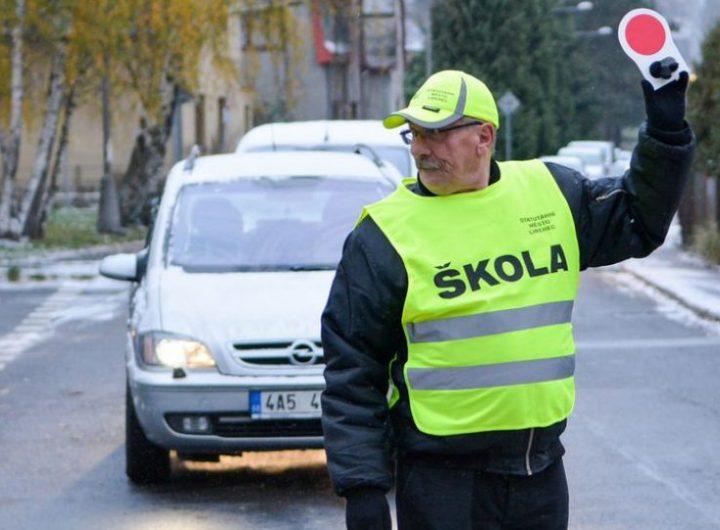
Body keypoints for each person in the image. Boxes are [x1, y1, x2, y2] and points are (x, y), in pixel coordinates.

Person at [321, 68, 694, 529]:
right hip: (442, 482)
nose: (421, 149)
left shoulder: (550, 195)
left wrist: (666, 128)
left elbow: (639, 217)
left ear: (484, 136)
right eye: (414, 134)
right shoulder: (384, 234)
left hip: (539, 474)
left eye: (436, 134)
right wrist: (363, 488)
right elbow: (353, 370)